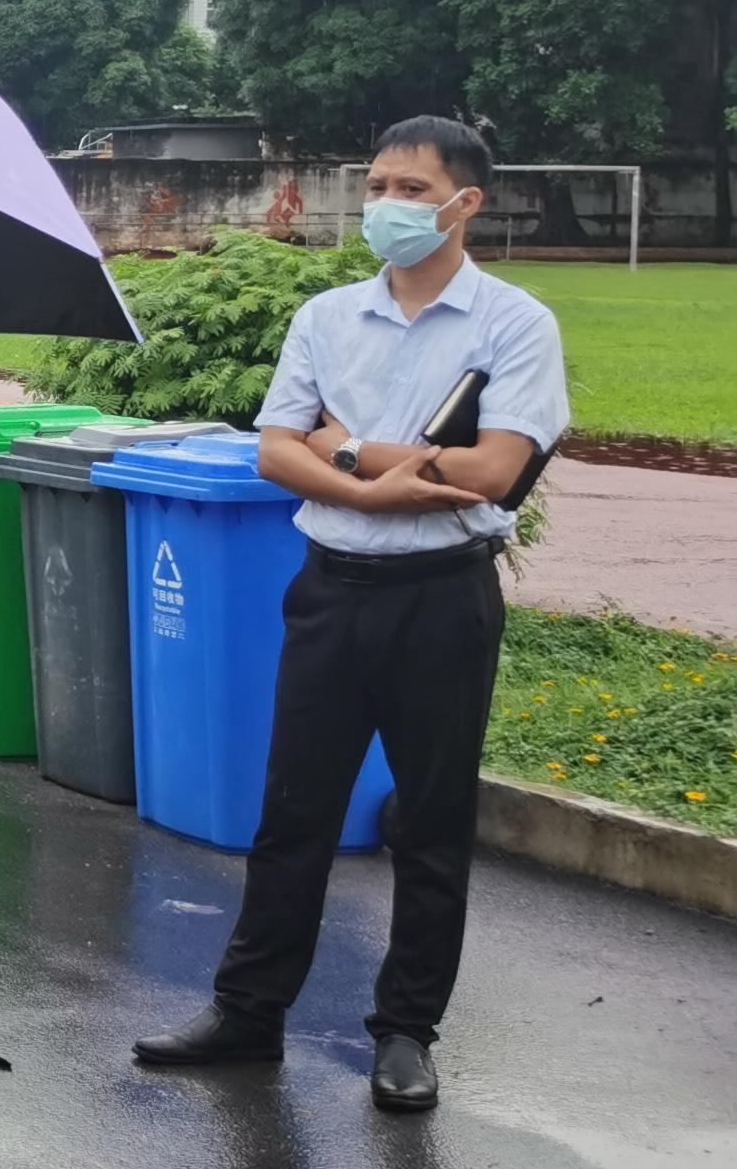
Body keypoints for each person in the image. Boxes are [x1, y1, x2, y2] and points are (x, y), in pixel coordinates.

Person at [134, 116, 569, 1113]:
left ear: (465, 204)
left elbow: (496, 471)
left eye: (412, 190)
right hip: (330, 589)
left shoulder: (513, 325)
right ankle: (249, 1012)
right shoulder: (327, 318)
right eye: (377, 185)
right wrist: (378, 482)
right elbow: (272, 449)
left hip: (442, 598)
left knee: (431, 819)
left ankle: (407, 1031)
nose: (387, 205)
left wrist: (346, 449)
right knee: (294, 811)